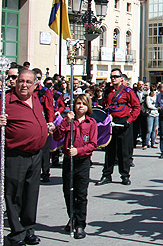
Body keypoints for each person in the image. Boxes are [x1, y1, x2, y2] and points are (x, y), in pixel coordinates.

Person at [0, 69, 54, 246]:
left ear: (35, 85)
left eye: (28, 82)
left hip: (36, 154)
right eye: (20, 81)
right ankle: (16, 234)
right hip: (16, 155)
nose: (23, 84)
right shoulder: (5, 101)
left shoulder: (37, 98)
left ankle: (29, 229)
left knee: (31, 194)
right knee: (14, 195)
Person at [52, 94, 97, 240]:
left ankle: (80, 224)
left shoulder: (91, 123)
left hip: (83, 161)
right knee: (68, 192)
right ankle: (72, 217)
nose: (80, 106)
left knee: (81, 194)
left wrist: (79, 151)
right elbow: (56, 136)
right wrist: (66, 122)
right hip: (69, 161)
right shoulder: (68, 121)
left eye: (83, 104)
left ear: (88, 106)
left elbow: (92, 144)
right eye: (78, 103)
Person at [96, 68, 140, 186]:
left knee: (123, 151)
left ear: (121, 78)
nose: (113, 79)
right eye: (112, 77)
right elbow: (104, 105)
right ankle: (106, 175)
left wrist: (129, 120)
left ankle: (125, 175)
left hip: (123, 122)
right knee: (109, 151)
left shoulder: (128, 91)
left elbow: (137, 107)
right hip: (110, 122)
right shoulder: (107, 91)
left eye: (116, 76)